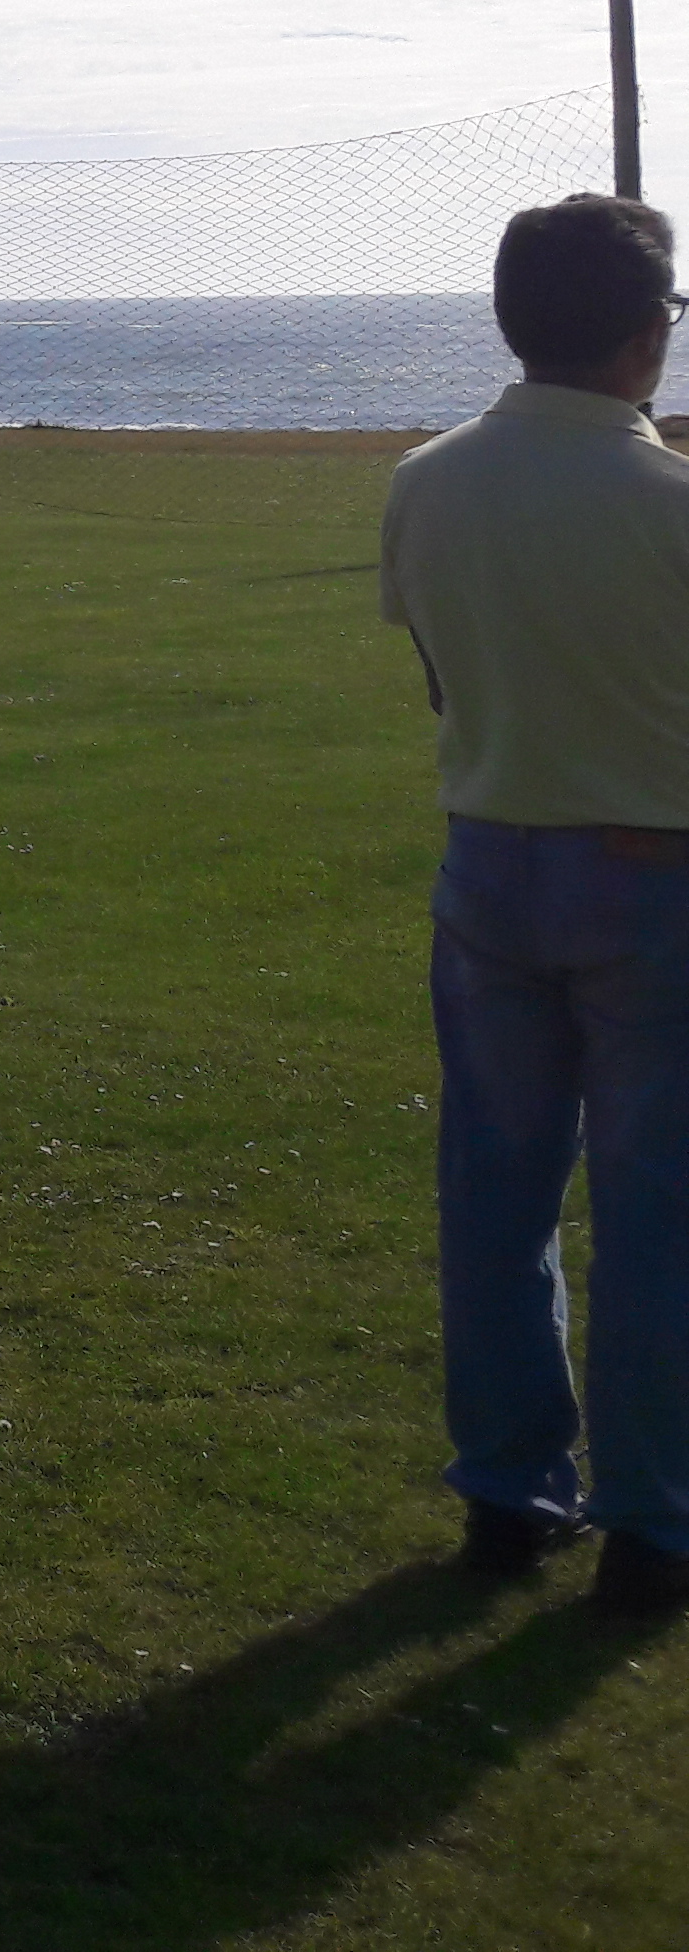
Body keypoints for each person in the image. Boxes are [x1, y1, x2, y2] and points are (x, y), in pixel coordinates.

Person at [381, 192, 689, 1614]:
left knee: (495, 1198)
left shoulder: (426, 479)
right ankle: (652, 1519)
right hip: (655, 876)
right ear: (646, 337)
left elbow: (444, 681)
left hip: (491, 859)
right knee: (655, 1208)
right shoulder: (670, 504)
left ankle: (508, 1494)